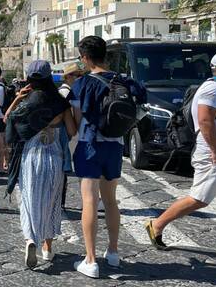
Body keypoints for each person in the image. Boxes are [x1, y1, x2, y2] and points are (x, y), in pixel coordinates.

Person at [68, 36, 146, 278]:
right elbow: (140, 112)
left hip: (89, 145)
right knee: (111, 201)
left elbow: (77, 119)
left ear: (85, 57)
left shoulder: (82, 84)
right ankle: (113, 252)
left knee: (90, 201)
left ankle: (90, 260)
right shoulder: (126, 81)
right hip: (115, 146)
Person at [4, 61, 76, 268]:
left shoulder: (27, 101)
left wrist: (18, 97)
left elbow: (8, 119)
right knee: (51, 203)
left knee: (28, 201)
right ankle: (47, 249)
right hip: (53, 156)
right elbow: (71, 131)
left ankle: (30, 240)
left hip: (30, 157)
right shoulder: (60, 102)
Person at [146, 54, 216, 250]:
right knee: (200, 198)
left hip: (211, 148)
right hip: (209, 151)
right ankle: (157, 224)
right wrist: (215, 150)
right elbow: (205, 121)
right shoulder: (213, 89)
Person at [58, 62, 84, 209]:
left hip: (67, 134)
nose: (80, 77)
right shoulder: (66, 92)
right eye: (77, 75)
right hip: (65, 135)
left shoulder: (68, 91)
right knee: (64, 169)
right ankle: (60, 201)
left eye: (81, 75)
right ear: (68, 77)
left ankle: (60, 201)